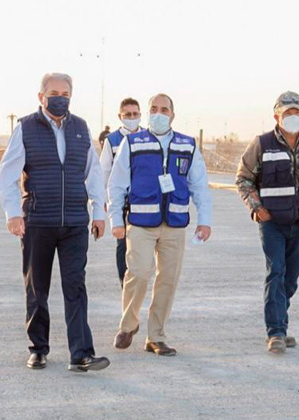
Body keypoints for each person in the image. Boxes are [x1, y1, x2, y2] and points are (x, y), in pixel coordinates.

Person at [0, 72, 110, 373]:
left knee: (76, 286)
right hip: (38, 220)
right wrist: (13, 214)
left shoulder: (81, 128)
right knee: (37, 289)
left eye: (65, 94)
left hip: (75, 221)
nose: (60, 99)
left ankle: (81, 354)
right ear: (41, 96)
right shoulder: (25, 128)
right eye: (54, 93)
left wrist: (99, 213)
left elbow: (93, 173)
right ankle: (38, 349)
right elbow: (7, 175)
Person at [108, 93, 212, 356]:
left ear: (172, 115)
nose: (159, 113)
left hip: (174, 224)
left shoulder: (187, 145)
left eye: (164, 109)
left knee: (168, 279)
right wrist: (116, 219)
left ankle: (156, 336)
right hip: (141, 223)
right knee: (139, 273)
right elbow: (117, 184)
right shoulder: (132, 143)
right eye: (154, 108)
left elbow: (199, 185)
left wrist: (205, 220)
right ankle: (128, 325)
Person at [235, 91, 299, 354]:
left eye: (296, 112)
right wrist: (257, 209)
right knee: (276, 271)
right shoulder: (262, 144)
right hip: (272, 222)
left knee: (291, 279)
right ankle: (276, 332)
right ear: (276, 116)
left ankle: (281, 324)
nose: (292, 116)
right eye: (287, 112)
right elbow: (243, 178)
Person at [100, 97, 143, 288]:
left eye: (135, 114)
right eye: (128, 114)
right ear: (120, 116)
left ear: (140, 115)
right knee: (123, 244)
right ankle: (125, 285)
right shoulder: (112, 140)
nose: (132, 118)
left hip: (144, 199)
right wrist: (105, 199)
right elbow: (104, 171)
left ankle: (139, 283)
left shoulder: (148, 136)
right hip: (122, 201)